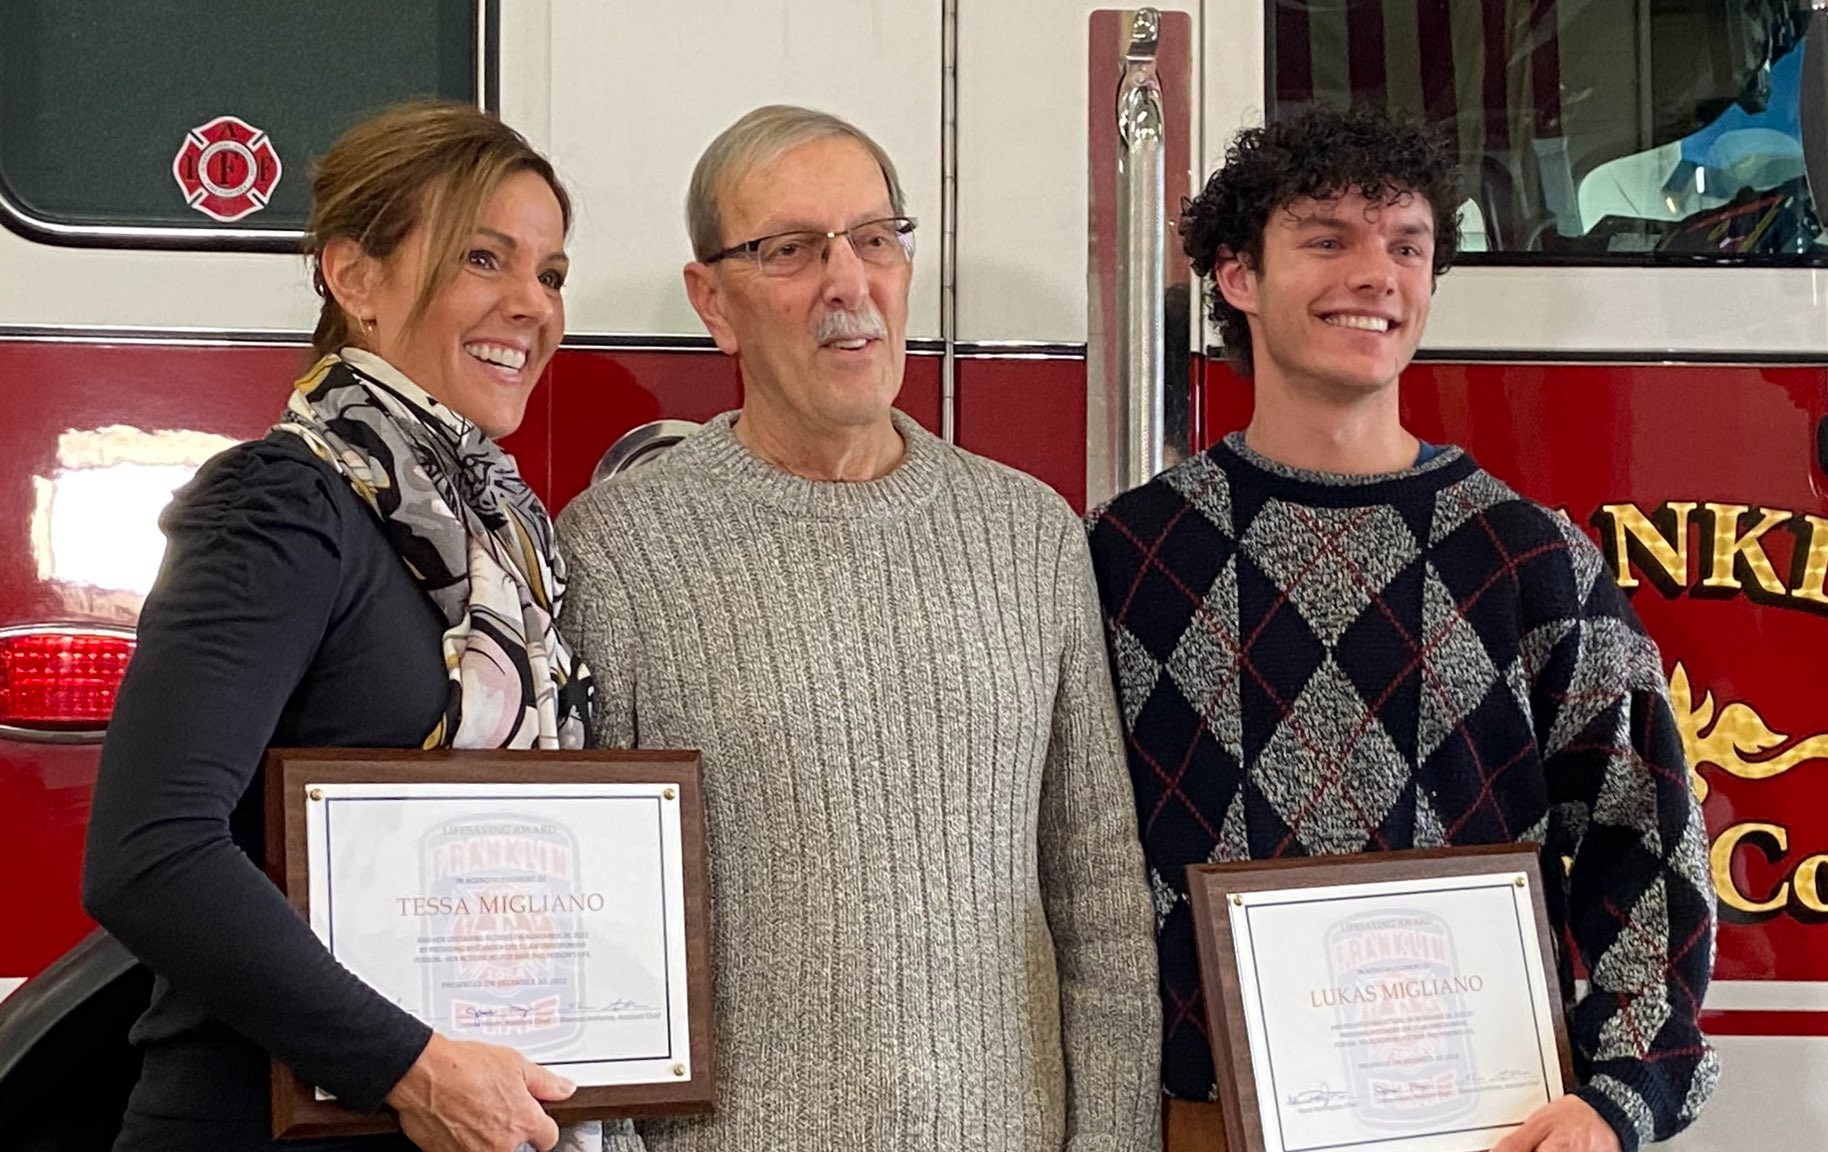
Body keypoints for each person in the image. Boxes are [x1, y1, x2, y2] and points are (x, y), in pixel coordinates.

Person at [1086, 103, 1720, 1152]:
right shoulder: (1127, 556)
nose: (1376, 274)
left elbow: (1641, 839)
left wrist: (1620, 1099)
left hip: (1488, 1124)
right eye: (1327, 240)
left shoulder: (1532, 559)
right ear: (1237, 277)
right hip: (1198, 1126)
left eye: (1406, 245)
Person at [557, 105, 1159, 1152]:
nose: (848, 283)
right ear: (714, 301)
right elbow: (587, 932)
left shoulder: (1028, 534)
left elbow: (1099, 896)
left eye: (875, 239)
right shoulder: (617, 549)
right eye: (789, 250)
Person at [83, 101, 598, 1152]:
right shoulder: (279, 507)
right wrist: (411, 1067)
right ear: (354, 277)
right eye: (482, 258)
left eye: (548, 273)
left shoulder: (497, 537)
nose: (529, 305)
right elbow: (149, 854)